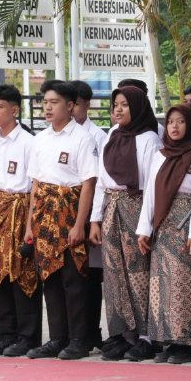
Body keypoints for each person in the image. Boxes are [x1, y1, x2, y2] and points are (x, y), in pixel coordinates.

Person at [25, 80, 97, 360]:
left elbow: (88, 184)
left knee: (73, 277)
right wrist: (31, 223)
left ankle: (79, 339)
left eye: (54, 102)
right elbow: (36, 185)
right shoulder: (40, 139)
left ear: (69, 105)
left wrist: (80, 224)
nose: (48, 108)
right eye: (45, 103)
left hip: (69, 213)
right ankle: (56, 338)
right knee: (50, 278)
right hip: (44, 216)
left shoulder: (82, 138)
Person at [88, 86, 161, 361]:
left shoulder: (149, 139)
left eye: (124, 105)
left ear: (138, 108)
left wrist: (146, 225)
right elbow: (100, 182)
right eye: (115, 105)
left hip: (136, 206)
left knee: (138, 271)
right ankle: (120, 334)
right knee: (114, 273)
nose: (117, 110)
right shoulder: (112, 135)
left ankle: (145, 335)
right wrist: (95, 219)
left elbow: (151, 186)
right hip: (111, 207)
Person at [137, 103, 191, 364]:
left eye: (181, 122)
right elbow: (150, 193)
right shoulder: (160, 155)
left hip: (187, 225)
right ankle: (169, 339)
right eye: (171, 122)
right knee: (164, 285)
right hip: (164, 225)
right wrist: (144, 229)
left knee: (188, 285)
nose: (175, 127)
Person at [0, 84, 42, 357]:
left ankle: (27, 336)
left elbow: (34, 188)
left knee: (22, 273)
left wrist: (29, 226)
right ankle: (6, 334)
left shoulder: (29, 143)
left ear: (14, 110)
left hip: (21, 211)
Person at [70, 79, 107, 351]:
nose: (72, 111)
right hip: (63, 216)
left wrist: (93, 219)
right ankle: (76, 333)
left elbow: (97, 182)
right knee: (72, 277)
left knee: (92, 276)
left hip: (91, 212)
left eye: (77, 105)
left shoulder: (98, 137)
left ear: (86, 104)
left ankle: (92, 331)